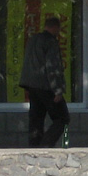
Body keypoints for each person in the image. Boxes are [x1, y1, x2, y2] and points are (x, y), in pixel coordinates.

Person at [20, 14, 70, 147]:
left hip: (32, 86)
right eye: (58, 30)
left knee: (36, 118)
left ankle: (34, 147)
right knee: (62, 117)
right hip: (46, 86)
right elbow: (53, 66)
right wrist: (58, 90)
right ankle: (45, 145)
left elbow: (28, 63)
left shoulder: (33, 39)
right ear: (55, 28)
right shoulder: (50, 42)